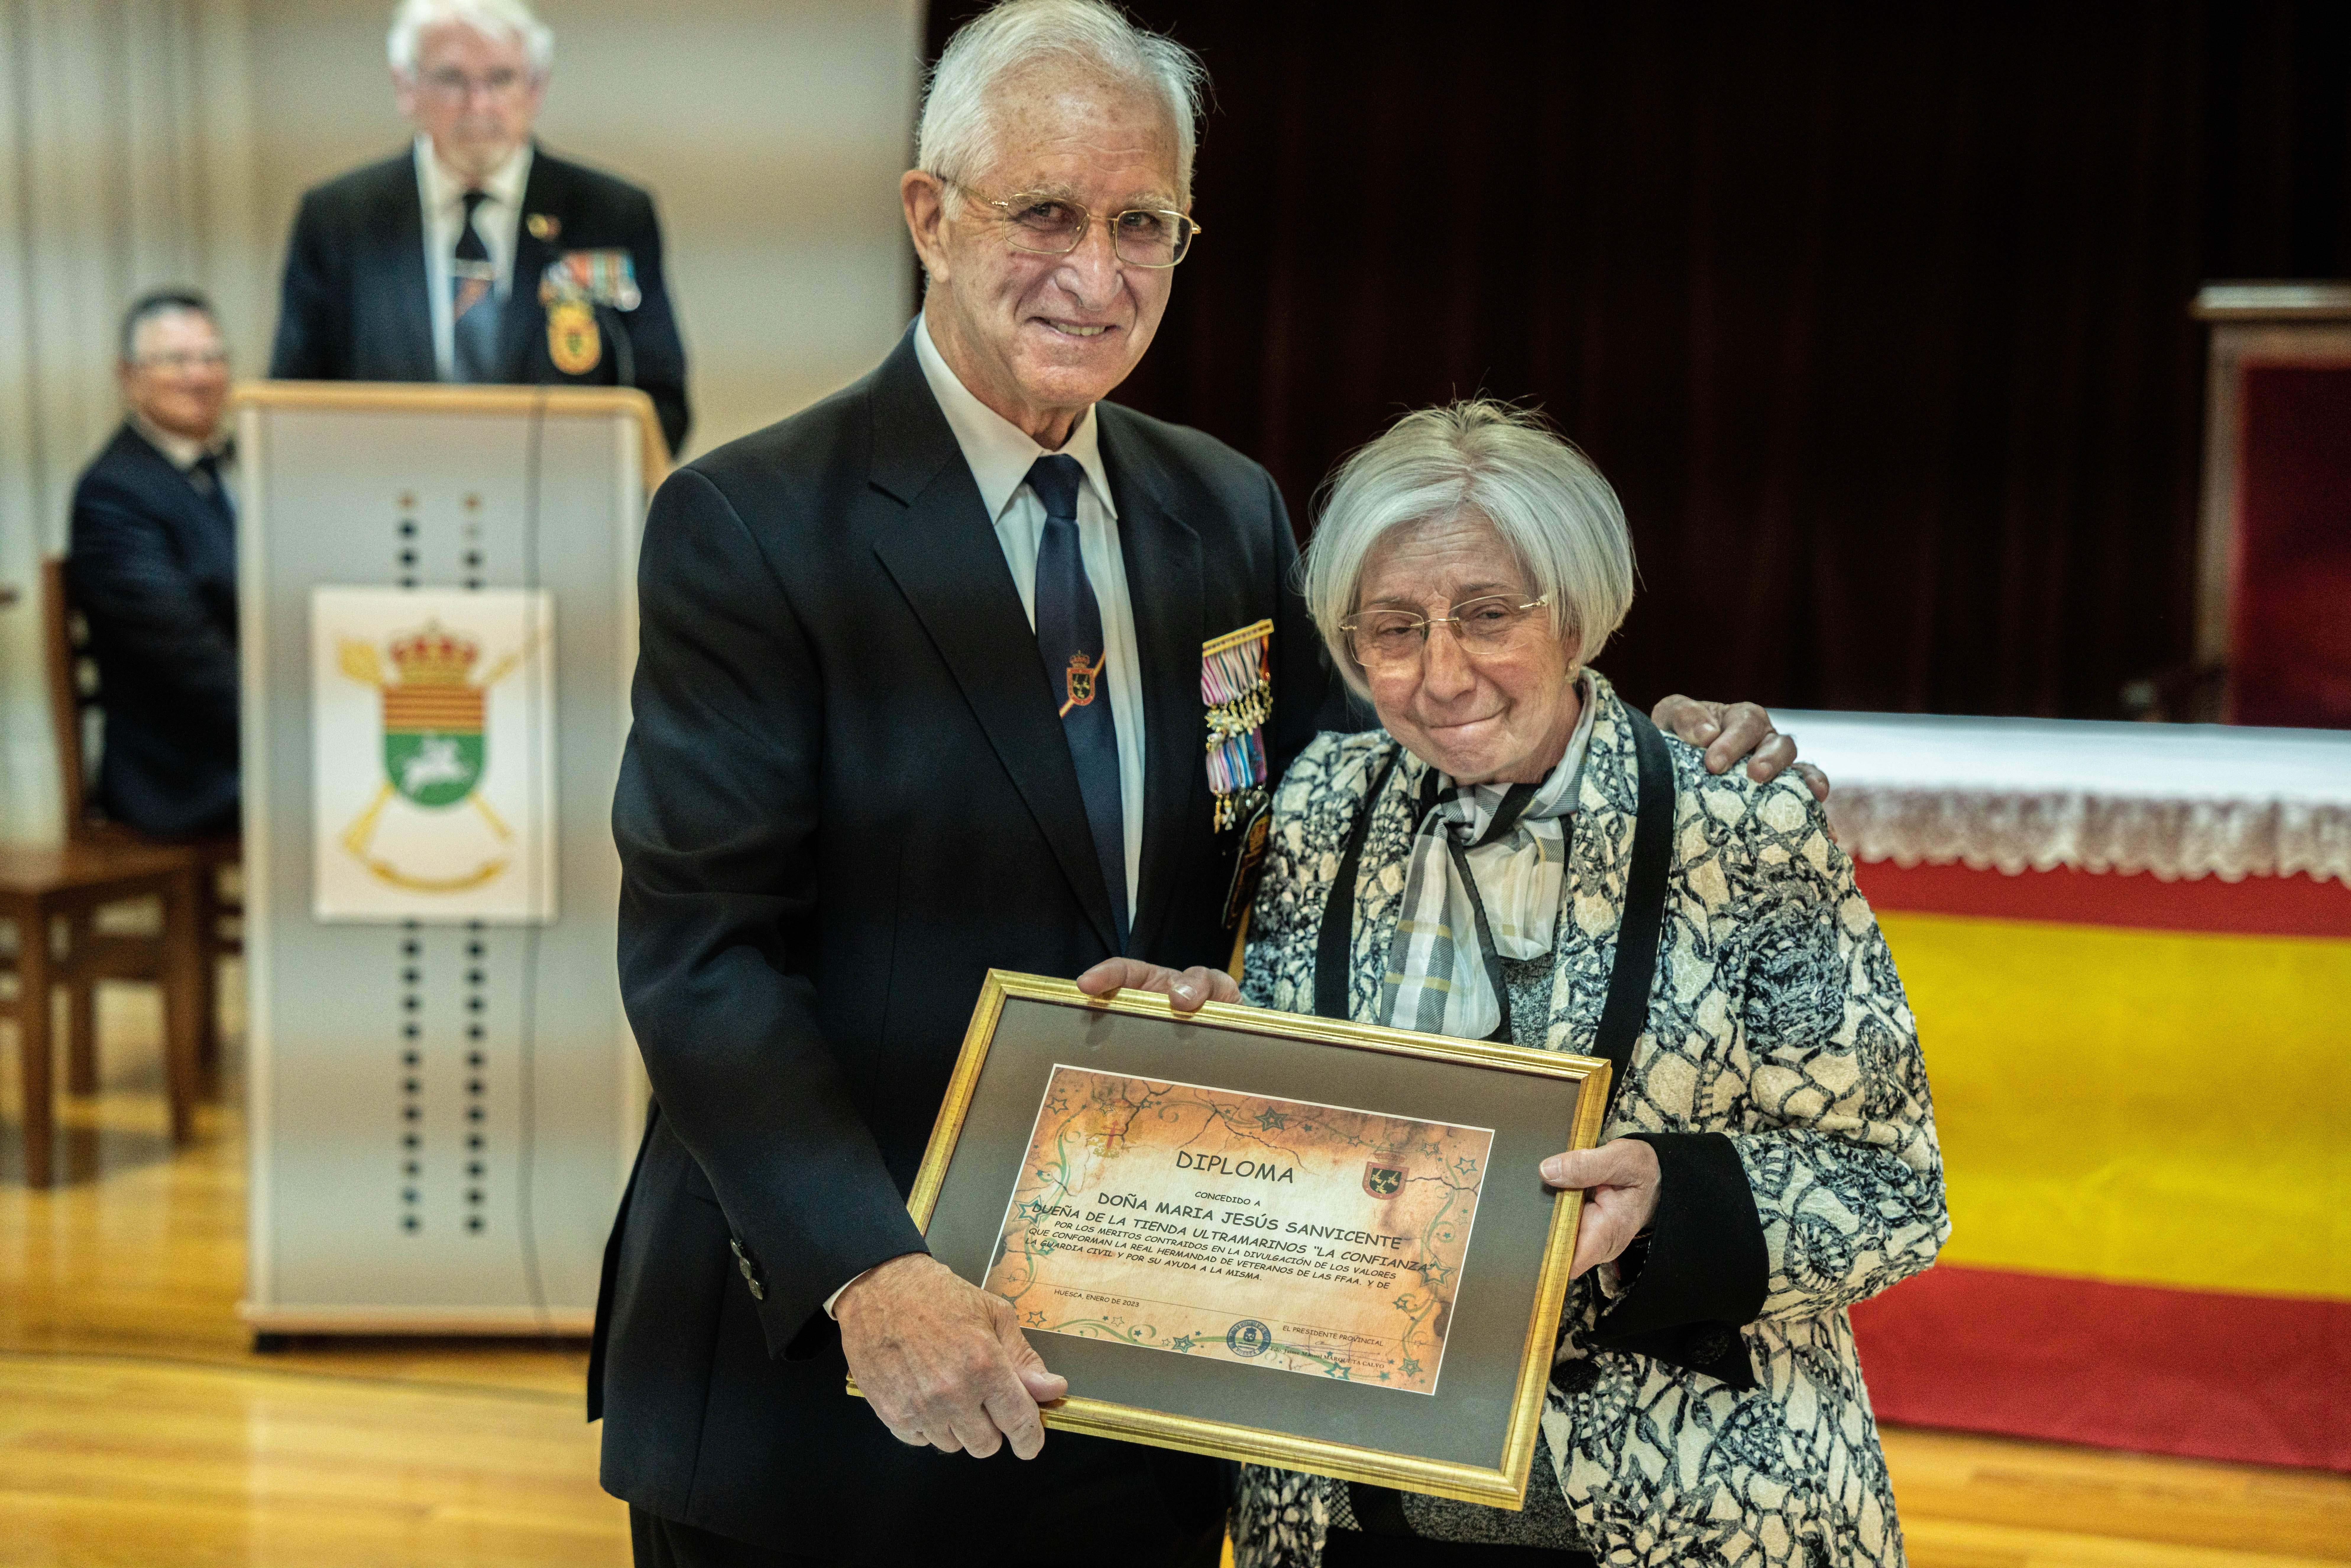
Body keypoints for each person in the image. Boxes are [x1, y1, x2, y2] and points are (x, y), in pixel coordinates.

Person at [593, 5, 1819, 1565]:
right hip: (830, 1387)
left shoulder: (1222, 510)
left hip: (1150, 1372)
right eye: (1042, 211)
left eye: (1141, 225)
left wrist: (1628, 747)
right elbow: (704, 959)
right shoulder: (753, 525)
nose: (1093, 274)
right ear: (929, 216)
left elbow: (1377, 807)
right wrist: (865, 1271)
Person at [1099, 401, 1946, 1567]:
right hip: (1351, 1505)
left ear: (1574, 613)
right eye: (1390, 630)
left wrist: (1667, 1204)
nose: (1440, 676)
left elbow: (1894, 1190)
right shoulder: (1316, 808)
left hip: (1672, 1504)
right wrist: (1210, 1060)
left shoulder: (1733, 819)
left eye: (1487, 617)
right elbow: (1317, 1126)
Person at [268, 0, 690, 455]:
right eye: (452, 79)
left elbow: (662, 402)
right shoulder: (340, 219)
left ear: (536, 88)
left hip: (560, 506)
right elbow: (295, 403)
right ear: (405, 86)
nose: (479, 104)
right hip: (389, 501)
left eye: (501, 79)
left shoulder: (609, 215)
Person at [66, 290, 241, 841]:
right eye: (176, 361)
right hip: (183, 772)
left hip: (240, 743)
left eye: (212, 358)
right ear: (129, 377)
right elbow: (191, 658)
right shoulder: (114, 494)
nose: (199, 376)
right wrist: (301, 735)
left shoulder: (235, 467)